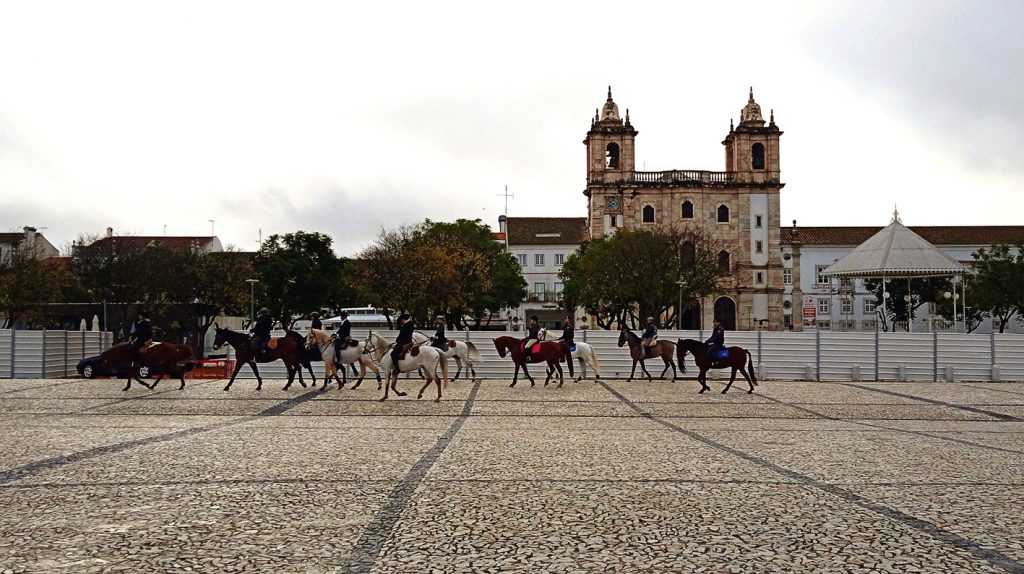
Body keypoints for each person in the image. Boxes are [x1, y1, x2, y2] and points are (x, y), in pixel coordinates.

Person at [390, 313, 415, 378]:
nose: (401, 322)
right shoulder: (409, 324)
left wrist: (398, 340)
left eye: (401, 321)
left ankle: (397, 368)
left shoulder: (406, 325)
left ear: (403, 319)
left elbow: (403, 335)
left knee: (393, 354)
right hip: (405, 341)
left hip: (404, 342)